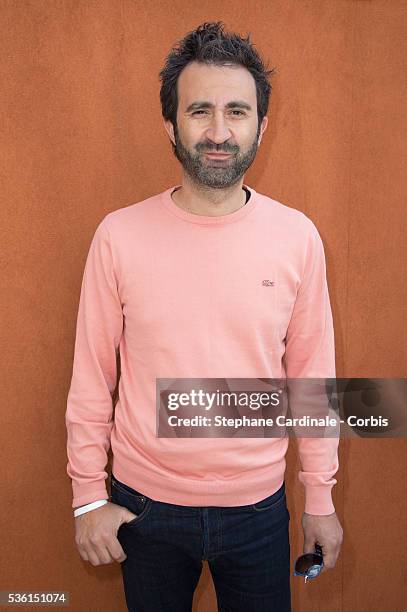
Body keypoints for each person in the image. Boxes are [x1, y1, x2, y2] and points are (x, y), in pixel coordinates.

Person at [66, 21, 343, 612]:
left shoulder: (298, 238)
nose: (219, 132)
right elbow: (93, 377)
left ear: (261, 126)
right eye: (200, 111)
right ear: (171, 124)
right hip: (144, 510)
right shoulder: (119, 236)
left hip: (260, 513)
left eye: (237, 112)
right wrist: (88, 498)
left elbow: (312, 380)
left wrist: (319, 498)